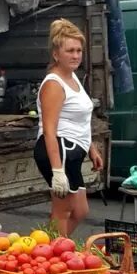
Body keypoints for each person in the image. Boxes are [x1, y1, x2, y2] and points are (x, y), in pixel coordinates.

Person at [33, 19, 103, 237]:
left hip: (74, 150)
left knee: (81, 211)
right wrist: (57, 171)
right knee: (62, 211)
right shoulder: (53, 84)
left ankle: (51, 246)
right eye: (70, 51)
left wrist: (91, 148)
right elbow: (50, 130)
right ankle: (55, 254)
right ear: (56, 54)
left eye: (79, 50)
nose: (76, 55)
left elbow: (79, 119)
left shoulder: (72, 77)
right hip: (59, 150)